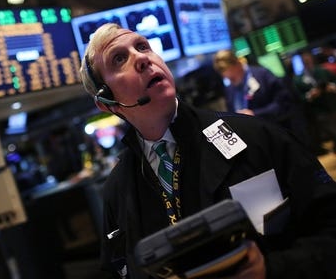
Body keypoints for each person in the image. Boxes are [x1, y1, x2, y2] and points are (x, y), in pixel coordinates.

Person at [79, 23, 336, 279]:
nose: (142, 58)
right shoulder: (118, 189)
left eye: (142, 46)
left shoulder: (257, 136)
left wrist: (272, 270)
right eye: (119, 58)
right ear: (107, 104)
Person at [212, 50, 299, 132]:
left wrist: (255, 114)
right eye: (227, 78)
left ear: (238, 64)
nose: (231, 81)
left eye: (232, 78)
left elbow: (284, 104)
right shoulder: (230, 89)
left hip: (275, 130)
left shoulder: (262, 75)